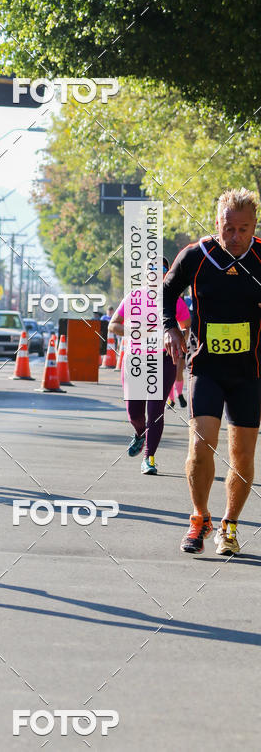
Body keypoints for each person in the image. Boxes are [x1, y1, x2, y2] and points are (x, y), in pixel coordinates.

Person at [164, 188, 261, 555]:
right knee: (201, 445)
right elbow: (166, 293)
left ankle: (229, 526)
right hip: (206, 367)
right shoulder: (196, 255)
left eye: (244, 229)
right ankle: (199, 516)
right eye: (228, 228)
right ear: (216, 223)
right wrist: (169, 327)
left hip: (249, 372)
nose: (235, 237)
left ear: (254, 227)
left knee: (242, 456)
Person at [109, 259, 186, 474]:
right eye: (150, 269)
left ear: (166, 273)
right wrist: (134, 332)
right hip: (135, 359)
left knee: (155, 410)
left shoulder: (172, 299)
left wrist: (178, 344)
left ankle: (149, 458)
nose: (154, 273)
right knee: (134, 412)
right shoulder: (133, 297)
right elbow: (113, 324)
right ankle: (140, 432)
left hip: (162, 360)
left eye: (160, 269)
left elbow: (187, 324)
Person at [167, 294, 191, 409]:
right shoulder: (164, 303)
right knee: (174, 374)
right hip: (169, 345)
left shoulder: (180, 303)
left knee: (173, 374)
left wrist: (184, 340)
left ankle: (175, 398)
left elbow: (187, 328)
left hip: (177, 344)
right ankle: (175, 397)